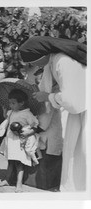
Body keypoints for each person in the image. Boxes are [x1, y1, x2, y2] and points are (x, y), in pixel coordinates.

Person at [19, 36, 86, 192]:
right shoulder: (52, 61)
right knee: (75, 154)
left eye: (32, 62)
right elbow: (48, 87)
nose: (32, 66)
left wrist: (48, 97)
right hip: (78, 111)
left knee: (83, 152)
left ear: (40, 57)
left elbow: (73, 99)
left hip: (83, 109)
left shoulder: (62, 61)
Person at [0, 89, 39, 192]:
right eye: (10, 103)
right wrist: (4, 111)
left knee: (19, 162)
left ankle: (19, 184)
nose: (10, 105)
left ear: (21, 103)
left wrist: (28, 133)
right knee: (10, 160)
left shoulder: (27, 114)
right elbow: (7, 118)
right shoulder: (11, 112)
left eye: (13, 103)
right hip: (11, 139)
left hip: (20, 140)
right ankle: (7, 179)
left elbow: (35, 126)